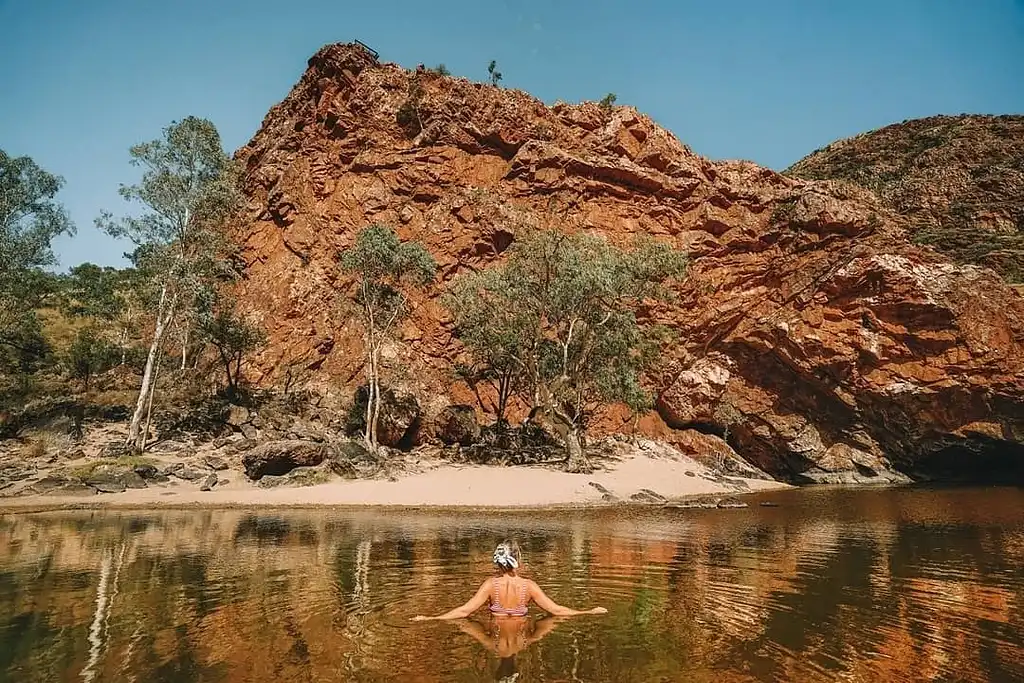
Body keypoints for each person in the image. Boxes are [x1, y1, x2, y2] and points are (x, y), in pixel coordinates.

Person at [411, 540, 607, 621]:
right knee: (545, 625)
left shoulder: (490, 585)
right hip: (521, 633)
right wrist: (589, 611)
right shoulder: (529, 587)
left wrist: (431, 618)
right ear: (518, 561)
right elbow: (556, 611)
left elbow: (464, 611)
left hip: (495, 631)